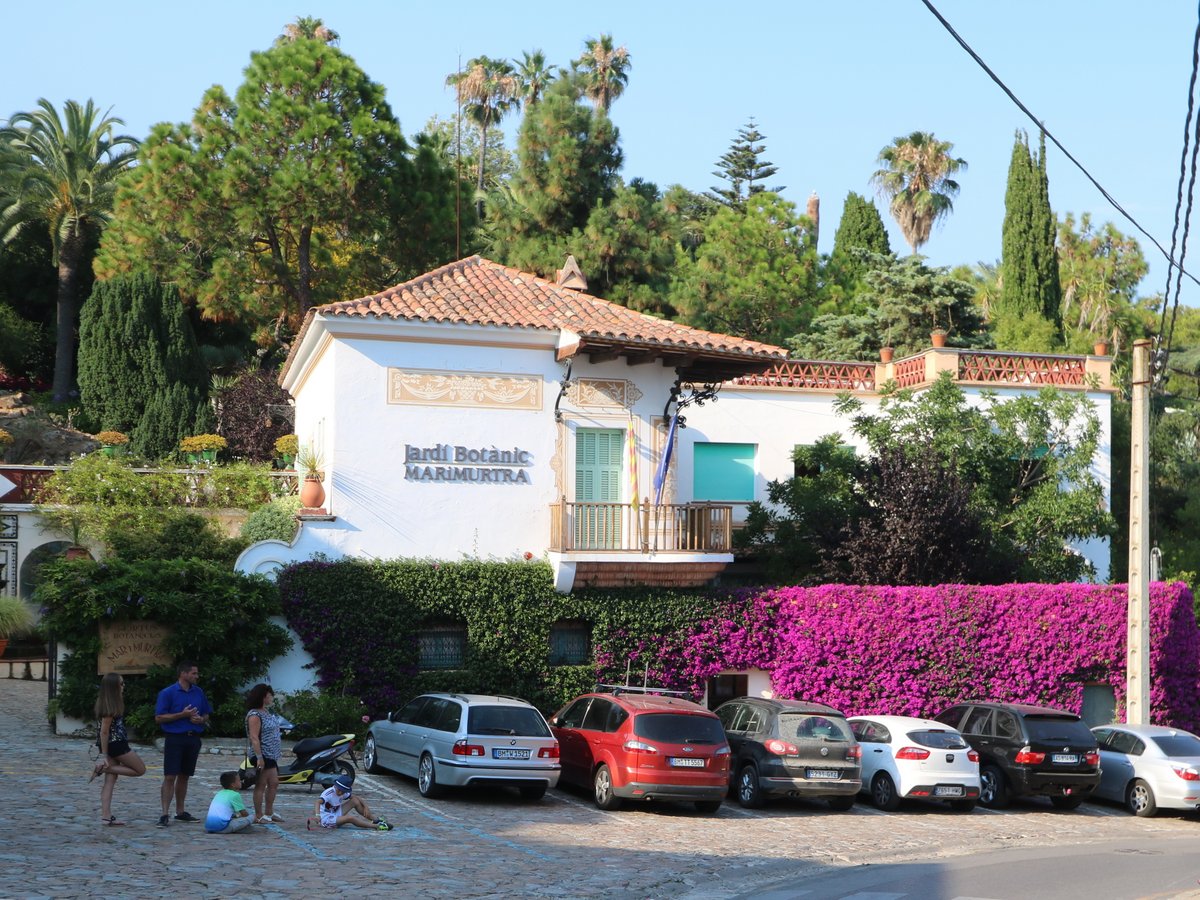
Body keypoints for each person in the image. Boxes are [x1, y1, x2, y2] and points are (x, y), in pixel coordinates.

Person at [154, 660, 211, 827]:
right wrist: (182, 715)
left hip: (193, 738)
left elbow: (207, 714)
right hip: (174, 738)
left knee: (185, 776)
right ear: (183, 674)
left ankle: (180, 811)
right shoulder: (168, 693)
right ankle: (164, 813)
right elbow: (159, 717)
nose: (196, 676)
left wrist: (201, 719)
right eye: (194, 673)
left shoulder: (198, 692)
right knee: (170, 775)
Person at [92, 673, 147, 826]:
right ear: (113, 686)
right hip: (116, 744)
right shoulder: (110, 705)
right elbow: (104, 731)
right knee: (140, 769)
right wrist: (104, 755)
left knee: (110, 781)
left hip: (113, 743)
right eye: (121, 684)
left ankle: (106, 816)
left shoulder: (109, 701)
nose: (124, 686)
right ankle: (104, 768)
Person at [244, 683, 283, 824]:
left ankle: (269, 812)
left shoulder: (267, 712)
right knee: (261, 784)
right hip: (263, 754)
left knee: (274, 783)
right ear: (262, 696)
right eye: (269, 695)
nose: (271, 697)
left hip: (271, 754)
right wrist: (259, 757)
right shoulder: (254, 715)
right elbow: (254, 737)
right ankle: (259, 815)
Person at [309, 775, 390, 831]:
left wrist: (366, 807)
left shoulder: (343, 792)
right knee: (350, 818)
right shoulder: (329, 793)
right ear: (335, 786)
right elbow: (317, 802)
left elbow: (355, 798)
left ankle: (375, 819)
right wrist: (318, 816)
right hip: (326, 819)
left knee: (355, 801)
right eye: (339, 790)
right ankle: (376, 826)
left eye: (343, 791)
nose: (340, 793)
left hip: (335, 812)